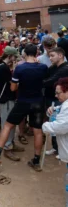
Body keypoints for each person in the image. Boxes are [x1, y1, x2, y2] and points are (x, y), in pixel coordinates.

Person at [0, 44, 48, 171]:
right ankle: (36, 161)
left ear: (24, 54)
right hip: (38, 102)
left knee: (7, 125)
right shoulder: (43, 67)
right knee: (38, 131)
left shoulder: (20, 68)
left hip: (23, 101)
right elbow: (44, 82)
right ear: (36, 53)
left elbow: (13, 88)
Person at [0, 46, 25, 161]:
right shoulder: (3, 68)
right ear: (10, 56)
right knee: (7, 124)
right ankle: (7, 147)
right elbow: (12, 86)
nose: (14, 59)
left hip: (8, 99)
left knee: (11, 124)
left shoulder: (4, 66)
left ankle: (11, 143)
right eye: (14, 57)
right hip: (6, 100)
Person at [42, 77, 68, 207]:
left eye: (58, 93)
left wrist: (45, 126)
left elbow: (61, 126)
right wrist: (53, 110)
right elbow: (60, 110)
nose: (56, 95)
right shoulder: (64, 105)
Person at [43, 48, 68, 158]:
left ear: (60, 55)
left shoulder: (64, 69)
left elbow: (51, 81)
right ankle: (56, 148)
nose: (50, 58)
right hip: (51, 98)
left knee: (59, 124)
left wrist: (36, 83)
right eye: (49, 56)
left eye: (52, 55)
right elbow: (46, 75)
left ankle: (62, 150)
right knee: (53, 119)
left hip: (60, 99)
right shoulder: (54, 67)